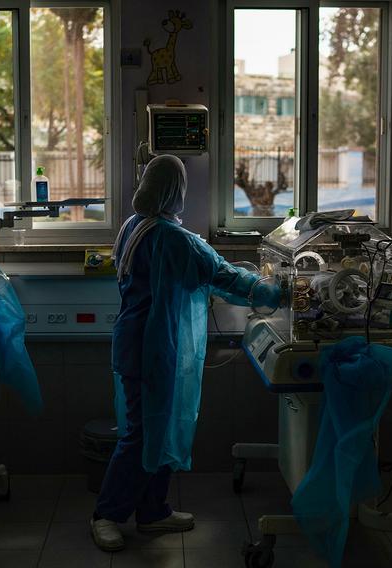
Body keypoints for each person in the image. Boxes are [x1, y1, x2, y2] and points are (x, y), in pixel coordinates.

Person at [90, 154, 282, 551]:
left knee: (159, 428)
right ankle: (106, 514)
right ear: (176, 191)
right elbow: (221, 274)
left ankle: (153, 511)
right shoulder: (172, 238)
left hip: (140, 342)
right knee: (143, 433)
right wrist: (274, 291)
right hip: (153, 348)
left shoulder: (135, 226)